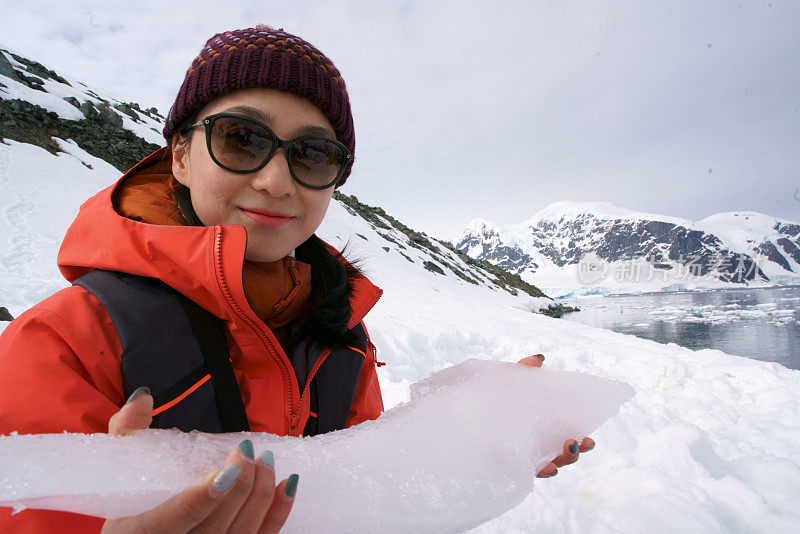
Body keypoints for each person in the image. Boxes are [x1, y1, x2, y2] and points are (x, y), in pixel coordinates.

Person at [0, 25, 594, 533]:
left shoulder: (340, 331)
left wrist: (461, 441)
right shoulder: (61, 342)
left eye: (311, 155)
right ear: (179, 153)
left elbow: (358, 491)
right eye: (241, 139)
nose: (277, 182)